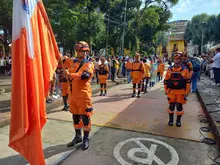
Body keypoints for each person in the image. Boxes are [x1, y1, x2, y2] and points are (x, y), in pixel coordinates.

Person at [64, 41, 94, 150]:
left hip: (83, 95)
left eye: (84, 51)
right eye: (80, 51)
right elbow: (62, 61)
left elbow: (84, 76)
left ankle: (86, 138)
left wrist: (70, 74)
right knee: (75, 116)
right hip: (72, 95)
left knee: (85, 117)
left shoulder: (89, 63)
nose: (82, 53)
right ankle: (78, 136)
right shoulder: (73, 62)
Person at [164, 53, 191, 127]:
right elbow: (166, 80)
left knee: (179, 106)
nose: (176, 60)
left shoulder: (185, 69)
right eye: (175, 59)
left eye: (178, 59)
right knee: (171, 105)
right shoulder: (170, 69)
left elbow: (188, 81)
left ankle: (178, 121)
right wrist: (165, 89)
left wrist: (187, 91)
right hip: (171, 91)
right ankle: (171, 120)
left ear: (180, 60)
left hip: (181, 91)